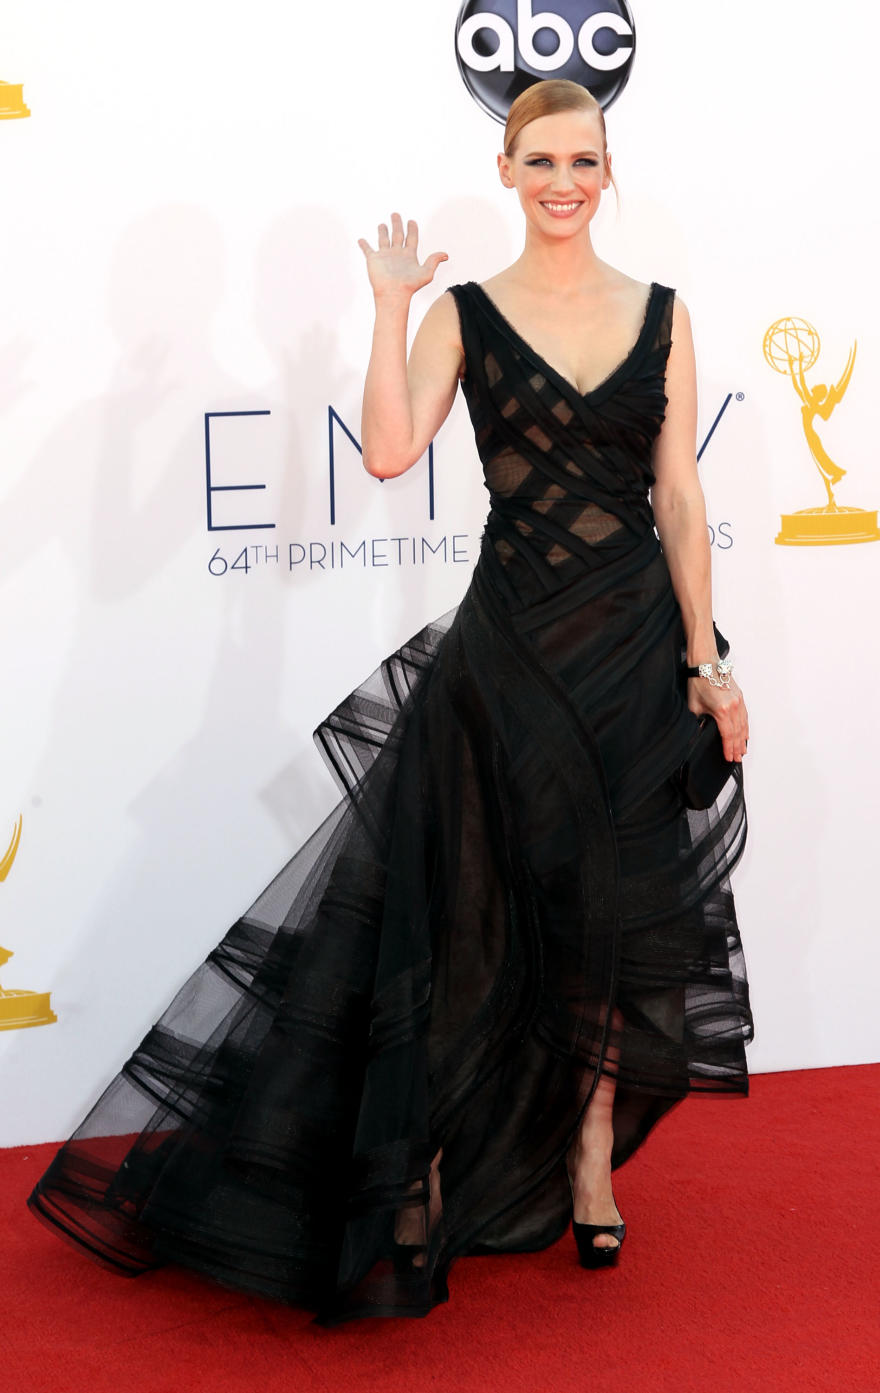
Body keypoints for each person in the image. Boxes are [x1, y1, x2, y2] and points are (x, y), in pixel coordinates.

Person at [27, 79, 754, 1326]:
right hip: (506, 653)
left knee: (607, 918)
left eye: (584, 157)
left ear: (608, 165)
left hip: (632, 654)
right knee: (462, 918)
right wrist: (387, 308)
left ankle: (586, 1165)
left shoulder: (667, 315)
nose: (564, 179)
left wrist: (706, 660)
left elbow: (679, 497)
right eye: (541, 160)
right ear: (507, 169)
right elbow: (385, 450)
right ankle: (410, 1157)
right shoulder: (466, 314)